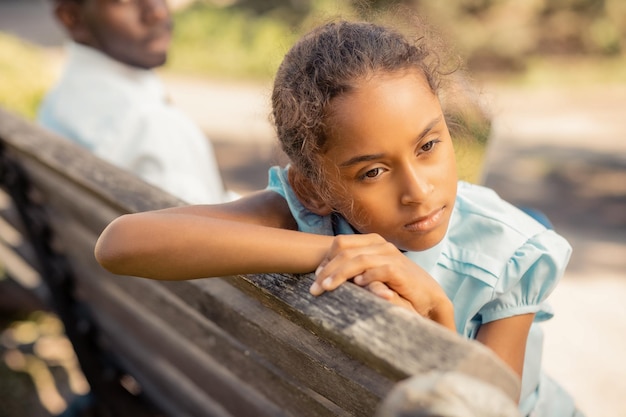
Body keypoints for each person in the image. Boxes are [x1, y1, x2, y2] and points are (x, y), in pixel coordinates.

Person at [94, 19, 583, 416]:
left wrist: (440, 320)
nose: (418, 190)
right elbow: (120, 244)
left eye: (428, 146)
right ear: (315, 188)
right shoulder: (309, 218)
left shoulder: (510, 254)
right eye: (373, 171)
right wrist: (333, 249)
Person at [38, 0, 229, 204]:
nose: (157, 11)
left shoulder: (58, 101)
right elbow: (201, 231)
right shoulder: (150, 123)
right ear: (72, 18)